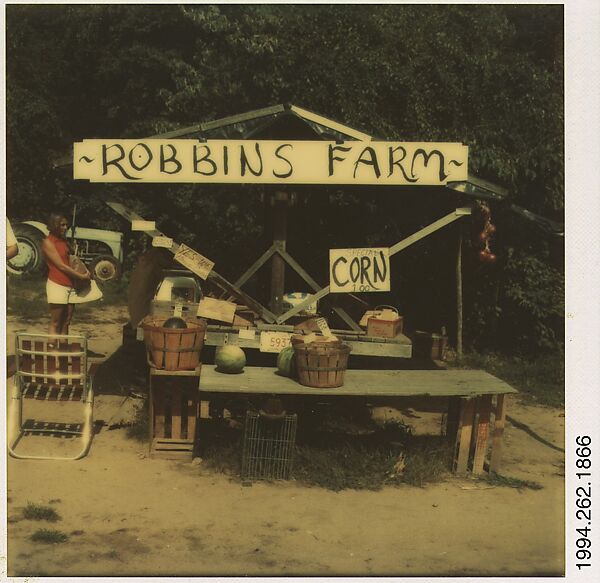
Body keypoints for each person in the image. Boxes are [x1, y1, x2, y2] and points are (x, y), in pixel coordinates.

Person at [42, 212, 92, 336]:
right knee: (56, 322)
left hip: (70, 284)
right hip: (57, 284)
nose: (65, 228)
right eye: (62, 225)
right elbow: (61, 266)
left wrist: (84, 270)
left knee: (66, 321)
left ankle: (63, 351)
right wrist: (81, 276)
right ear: (54, 225)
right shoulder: (48, 242)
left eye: (66, 225)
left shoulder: (63, 241)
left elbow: (71, 261)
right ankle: (53, 353)